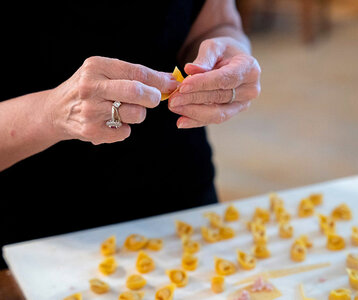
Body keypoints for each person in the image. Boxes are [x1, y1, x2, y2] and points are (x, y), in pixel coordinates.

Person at [0, 0, 260, 269]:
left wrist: (228, 54)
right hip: (33, 231)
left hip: (178, 203)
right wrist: (50, 113)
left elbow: (217, 22)